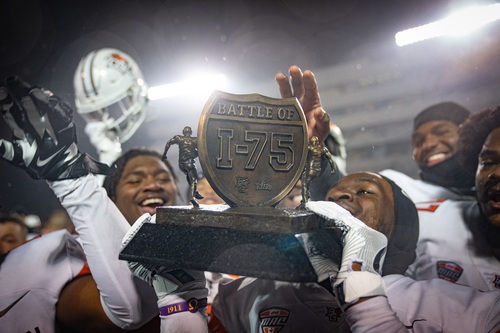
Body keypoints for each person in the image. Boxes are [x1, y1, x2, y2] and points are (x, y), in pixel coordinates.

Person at [0, 76, 160, 332]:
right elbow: (136, 305)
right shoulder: (34, 264)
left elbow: (135, 306)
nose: (153, 185)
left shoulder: (205, 253)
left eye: (163, 177)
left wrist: (72, 181)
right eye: (135, 179)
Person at [380, 101, 475, 202]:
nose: (428, 144)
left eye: (441, 132)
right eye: (418, 141)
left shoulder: (490, 193)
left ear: (470, 136)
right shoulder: (398, 190)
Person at [163, 126, 204, 207]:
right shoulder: (195, 140)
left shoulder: (179, 138)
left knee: (189, 177)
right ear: (191, 132)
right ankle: (192, 197)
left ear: (183, 132)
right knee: (194, 181)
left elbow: (168, 143)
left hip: (181, 165)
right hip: (189, 164)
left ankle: (195, 192)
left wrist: (164, 154)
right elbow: (201, 151)